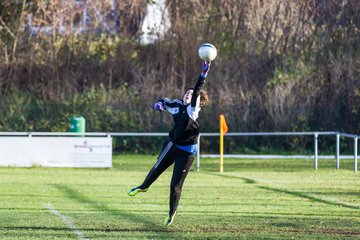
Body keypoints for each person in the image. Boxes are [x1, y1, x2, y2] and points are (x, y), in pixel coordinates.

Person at [127, 61, 211, 226]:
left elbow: (196, 93)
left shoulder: (193, 109)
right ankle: (143, 186)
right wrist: (158, 104)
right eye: (187, 93)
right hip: (173, 145)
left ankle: (171, 214)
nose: (189, 95)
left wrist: (202, 76)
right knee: (157, 166)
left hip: (187, 152)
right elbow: (163, 102)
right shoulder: (177, 105)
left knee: (175, 186)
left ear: (197, 100)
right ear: (183, 95)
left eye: (192, 94)